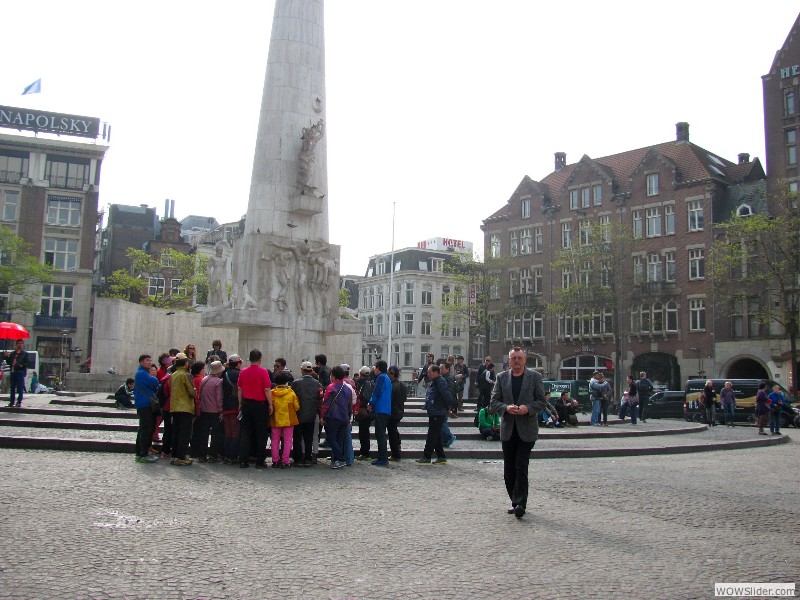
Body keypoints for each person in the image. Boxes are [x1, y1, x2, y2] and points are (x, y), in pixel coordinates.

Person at [490, 347, 547, 519]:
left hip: (527, 429)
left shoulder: (535, 377)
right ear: (508, 360)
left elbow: (541, 401)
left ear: (525, 360)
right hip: (508, 428)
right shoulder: (501, 378)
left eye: (519, 358)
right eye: (513, 358)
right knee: (509, 469)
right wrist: (506, 408)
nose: (516, 360)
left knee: (521, 466)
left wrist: (527, 408)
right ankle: (514, 501)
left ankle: (521, 503)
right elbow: (494, 401)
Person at [237, 349, 273, 469]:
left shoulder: (243, 371)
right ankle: (260, 460)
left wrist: (240, 403)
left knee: (245, 433)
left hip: (246, 403)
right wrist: (270, 404)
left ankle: (243, 460)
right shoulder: (263, 372)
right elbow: (267, 389)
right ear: (260, 359)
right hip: (260, 405)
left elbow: (239, 389)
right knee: (261, 433)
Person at [415, 364, 451, 465]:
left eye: (430, 372)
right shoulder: (435, 381)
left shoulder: (440, 381)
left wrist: (448, 408)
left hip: (437, 411)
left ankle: (427, 456)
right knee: (436, 435)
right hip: (434, 411)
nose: (428, 374)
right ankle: (441, 456)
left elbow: (446, 395)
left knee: (432, 435)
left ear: (436, 372)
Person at [291, 361, 323, 467]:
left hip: (298, 414)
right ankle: (308, 458)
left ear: (302, 370)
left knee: (297, 437)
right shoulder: (318, 384)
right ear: (311, 371)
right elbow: (320, 399)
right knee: (309, 437)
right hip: (311, 414)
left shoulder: (296, 383)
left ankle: (298, 458)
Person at [321, 365, 353, 470]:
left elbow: (326, 403)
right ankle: (336, 461)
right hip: (344, 417)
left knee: (331, 438)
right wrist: (348, 417)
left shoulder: (331, 387)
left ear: (333, 376)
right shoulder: (347, 388)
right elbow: (350, 405)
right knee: (339, 439)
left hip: (333, 416)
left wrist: (323, 416)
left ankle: (340, 458)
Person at [193, 360, 224, 462]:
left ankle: (202, 455)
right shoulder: (219, 382)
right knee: (215, 434)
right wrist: (221, 411)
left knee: (204, 433)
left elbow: (200, 394)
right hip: (214, 411)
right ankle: (213, 455)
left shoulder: (204, 379)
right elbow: (219, 398)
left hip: (204, 409)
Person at [169, 354, 196, 466]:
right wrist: (195, 391)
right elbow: (191, 392)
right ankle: (181, 457)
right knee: (184, 434)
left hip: (174, 407)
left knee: (176, 432)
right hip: (185, 408)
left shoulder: (173, 375)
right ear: (185, 363)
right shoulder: (186, 375)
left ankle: (175, 456)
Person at [133, 354, 160, 463]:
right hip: (145, 404)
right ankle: (143, 453)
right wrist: (154, 379)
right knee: (146, 429)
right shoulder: (141, 374)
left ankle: (140, 452)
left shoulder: (143, 373)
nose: (149, 362)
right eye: (147, 360)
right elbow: (155, 382)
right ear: (141, 362)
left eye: (150, 360)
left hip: (145, 404)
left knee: (144, 429)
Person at [270, 371, 300, 468]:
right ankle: (285, 460)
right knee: (287, 440)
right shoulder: (291, 393)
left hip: (275, 419)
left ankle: (275, 460)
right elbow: (297, 407)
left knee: (274, 440)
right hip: (288, 419)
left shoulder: (272, 393)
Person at [367, 360, 392, 467]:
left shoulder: (381, 378)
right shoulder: (387, 378)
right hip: (386, 409)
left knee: (380, 434)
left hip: (381, 409)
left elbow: (376, 392)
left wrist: (371, 403)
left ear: (378, 368)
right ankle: (382, 457)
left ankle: (382, 458)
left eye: (375, 367)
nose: (374, 369)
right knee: (381, 434)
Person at [221, 354, 242, 464]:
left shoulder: (225, 374)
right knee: (235, 432)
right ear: (238, 363)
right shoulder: (240, 374)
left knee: (228, 432)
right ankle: (232, 455)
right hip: (235, 406)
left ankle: (226, 455)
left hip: (225, 406)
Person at [387, 365, 406, 461]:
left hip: (393, 411)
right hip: (399, 410)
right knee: (394, 429)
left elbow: (389, 399)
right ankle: (398, 445)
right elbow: (404, 398)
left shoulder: (391, 385)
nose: (388, 375)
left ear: (393, 374)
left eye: (389, 373)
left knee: (391, 432)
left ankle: (395, 453)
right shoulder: (402, 384)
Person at [354, 366, 374, 460]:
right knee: (364, 432)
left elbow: (366, 398)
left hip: (365, 411)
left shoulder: (365, 383)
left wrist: (359, 405)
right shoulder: (369, 382)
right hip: (366, 411)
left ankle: (365, 453)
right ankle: (364, 452)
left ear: (361, 374)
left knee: (364, 432)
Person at [6, 339, 31, 407]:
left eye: (21, 343)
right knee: (12, 388)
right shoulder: (12, 353)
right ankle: (12, 402)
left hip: (20, 372)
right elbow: (8, 362)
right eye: (19, 343)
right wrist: (5, 356)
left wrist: (21, 365)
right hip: (13, 371)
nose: (20, 344)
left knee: (20, 388)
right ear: (16, 344)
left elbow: (28, 362)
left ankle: (19, 402)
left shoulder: (25, 354)